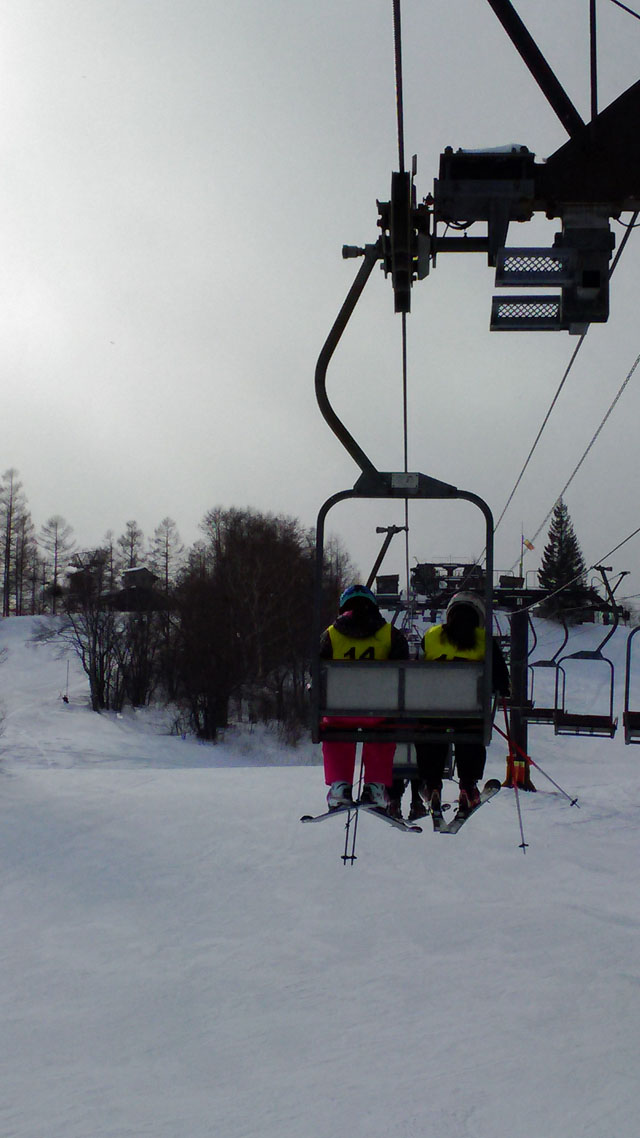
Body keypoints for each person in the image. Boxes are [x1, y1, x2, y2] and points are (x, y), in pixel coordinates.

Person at [398, 591, 510, 818]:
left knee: (430, 733)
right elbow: (501, 681)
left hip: (433, 715)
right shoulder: (485, 641)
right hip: (468, 717)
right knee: (472, 733)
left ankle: (432, 785)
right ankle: (468, 786)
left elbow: (418, 670)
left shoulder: (431, 636)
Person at [320, 583, 409, 811]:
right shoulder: (390, 635)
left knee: (333, 727)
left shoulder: (330, 636)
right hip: (378, 712)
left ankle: (340, 786)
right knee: (385, 726)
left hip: (339, 712)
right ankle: (375, 786)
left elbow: (318, 674)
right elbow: (404, 676)